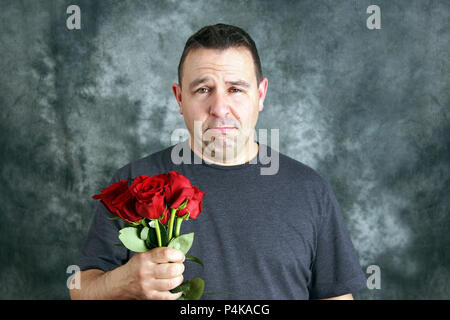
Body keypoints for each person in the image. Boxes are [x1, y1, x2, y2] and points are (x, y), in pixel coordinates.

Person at [70, 23, 367, 300]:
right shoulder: (135, 182)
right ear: (179, 98)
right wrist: (124, 281)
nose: (219, 108)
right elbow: (80, 289)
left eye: (235, 89)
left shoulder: (310, 189)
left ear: (260, 94)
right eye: (203, 90)